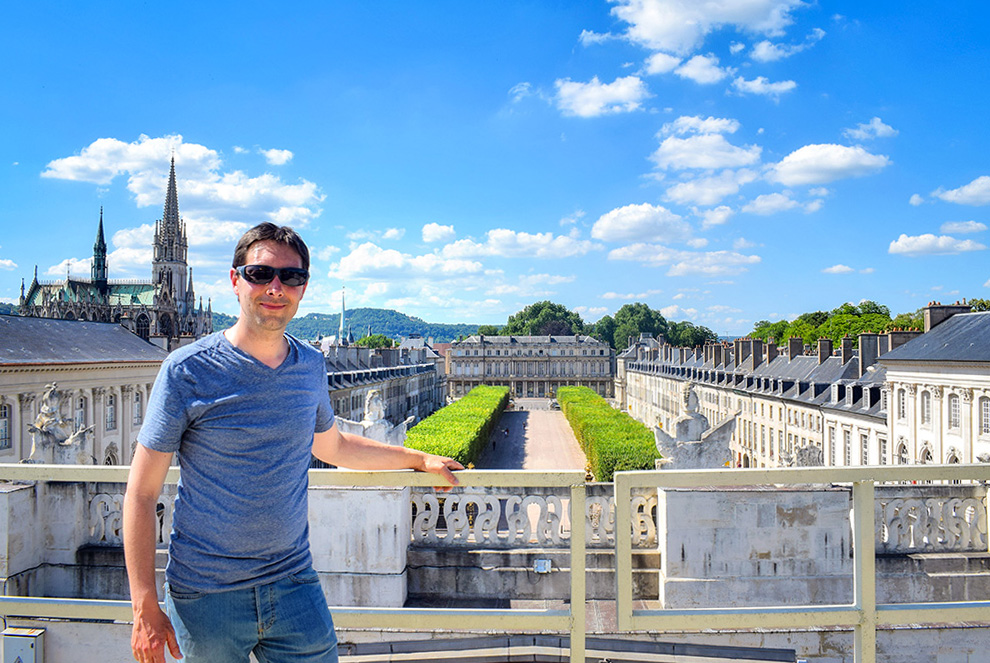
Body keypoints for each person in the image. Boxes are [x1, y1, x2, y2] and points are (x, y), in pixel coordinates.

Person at [123, 222, 462, 663]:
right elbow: (142, 492)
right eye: (260, 274)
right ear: (235, 280)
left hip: (293, 584)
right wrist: (144, 605)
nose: (276, 287)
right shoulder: (186, 370)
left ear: (303, 288)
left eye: (291, 277)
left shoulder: (310, 365)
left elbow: (334, 447)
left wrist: (418, 459)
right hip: (206, 595)